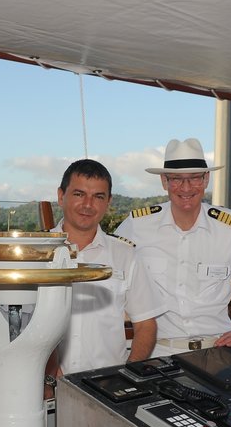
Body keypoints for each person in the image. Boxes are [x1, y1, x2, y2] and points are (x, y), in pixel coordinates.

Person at [114, 137, 231, 355]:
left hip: (217, 350)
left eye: (195, 178)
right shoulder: (137, 224)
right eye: (176, 179)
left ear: (206, 179)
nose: (186, 188)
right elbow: (109, 274)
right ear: (164, 181)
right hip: (156, 351)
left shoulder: (229, 227)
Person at [45, 158, 163, 385]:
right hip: (47, 387)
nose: (88, 204)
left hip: (107, 386)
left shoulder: (125, 255)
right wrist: (45, 374)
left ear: (108, 202)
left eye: (98, 197)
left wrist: (129, 375)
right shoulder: (34, 253)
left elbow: (146, 325)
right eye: (79, 194)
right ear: (61, 196)